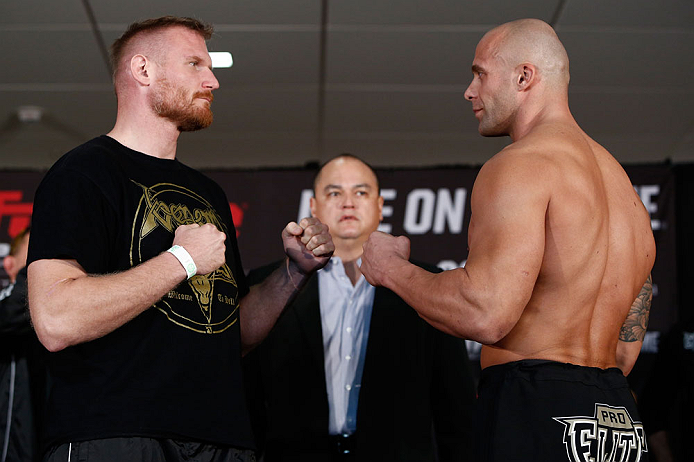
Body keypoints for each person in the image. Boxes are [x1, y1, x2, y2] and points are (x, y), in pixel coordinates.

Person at [26, 16, 334, 462]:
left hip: (222, 439)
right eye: (195, 64)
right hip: (117, 436)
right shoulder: (82, 174)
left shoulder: (209, 194)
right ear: (143, 71)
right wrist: (181, 260)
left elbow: (234, 335)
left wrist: (293, 273)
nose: (212, 80)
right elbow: (56, 320)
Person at [360, 18, 655, 462]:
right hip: (617, 418)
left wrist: (392, 270)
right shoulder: (626, 193)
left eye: (479, 73)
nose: (469, 91)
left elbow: (486, 312)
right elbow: (627, 349)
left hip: (536, 406)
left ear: (524, 77)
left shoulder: (520, 165)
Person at [243, 154, 477, 462]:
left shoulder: (429, 284)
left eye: (361, 192)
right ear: (313, 207)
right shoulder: (270, 284)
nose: (348, 203)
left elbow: (456, 412)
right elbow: (248, 400)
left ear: (380, 206)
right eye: (335, 193)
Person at [1, 227, 43, 462]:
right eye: (35, 249)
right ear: (9, 265)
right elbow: (12, 312)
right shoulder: (6, 304)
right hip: (14, 447)